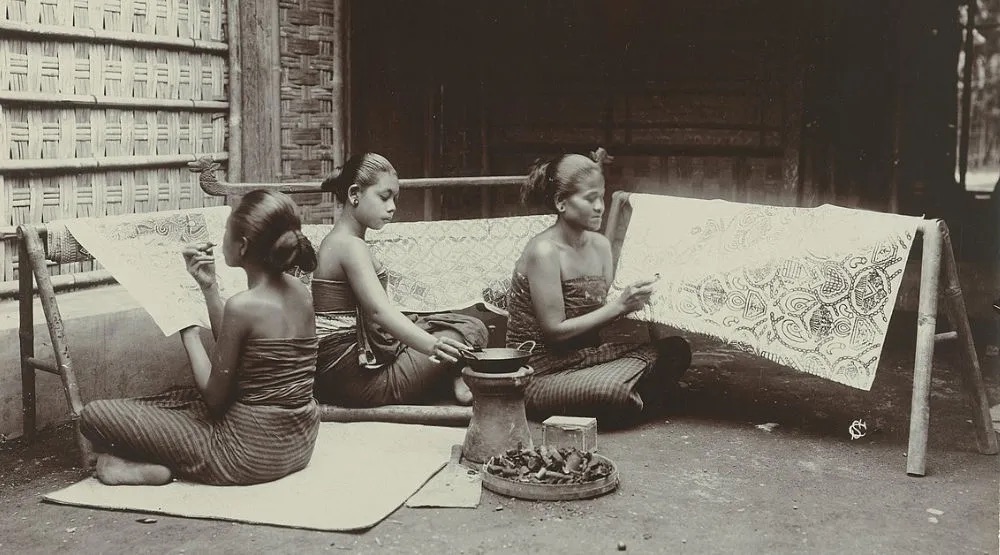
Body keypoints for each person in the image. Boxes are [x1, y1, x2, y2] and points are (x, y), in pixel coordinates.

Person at [79, 190, 321, 486]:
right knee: (177, 398)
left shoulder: (243, 306)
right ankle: (138, 460)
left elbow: (215, 400)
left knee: (94, 414)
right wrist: (209, 289)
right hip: (299, 443)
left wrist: (186, 329)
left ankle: (130, 466)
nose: (222, 239)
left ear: (242, 246)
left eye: (226, 230)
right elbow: (235, 358)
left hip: (245, 456)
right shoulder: (300, 292)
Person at [505, 148, 692, 424]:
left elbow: (604, 317)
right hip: (540, 372)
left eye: (601, 197)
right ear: (561, 202)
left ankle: (634, 398)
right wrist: (619, 305)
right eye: (590, 199)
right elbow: (555, 332)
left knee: (677, 349)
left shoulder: (601, 246)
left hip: (586, 359)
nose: (599, 207)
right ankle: (637, 396)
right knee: (610, 390)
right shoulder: (544, 251)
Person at [312, 153, 488, 407]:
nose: (392, 206)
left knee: (454, 323)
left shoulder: (342, 241)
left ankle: (449, 375)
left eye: (395, 198)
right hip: (355, 377)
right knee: (469, 331)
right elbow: (378, 312)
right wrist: (432, 346)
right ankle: (454, 375)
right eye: (384, 197)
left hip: (345, 367)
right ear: (354, 194)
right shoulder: (350, 246)